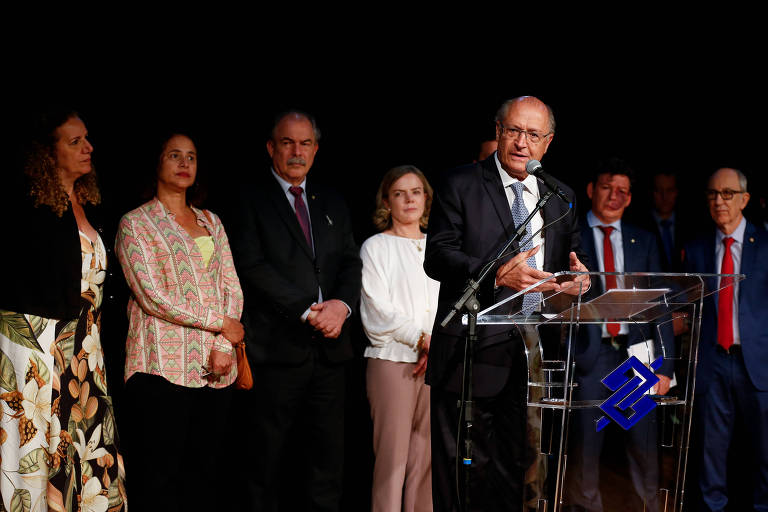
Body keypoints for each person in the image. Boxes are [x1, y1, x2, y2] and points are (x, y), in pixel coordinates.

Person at [424, 96, 589, 511]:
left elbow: (570, 260)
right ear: (498, 131)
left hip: (532, 350)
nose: (522, 142)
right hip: (470, 349)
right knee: (463, 471)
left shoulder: (560, 197)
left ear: (547, 143)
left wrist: (577, 282)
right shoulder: (460, 183)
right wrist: (496, 272)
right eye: (514, 131)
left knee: (518, 468)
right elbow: (439, 255)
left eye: (533, 135)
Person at [227, 110, 362, 511]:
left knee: (326, 462)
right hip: (277, 351)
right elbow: (251, 265)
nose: (297, 151)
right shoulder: (248, 198)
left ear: (316, 150)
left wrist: (339, 306)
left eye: (305, 144)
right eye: (288, 143)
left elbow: (351, 263)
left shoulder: (332, 200)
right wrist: (309, 311)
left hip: (331, 354)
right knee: (265, 461)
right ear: (272, 148)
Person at [0, 110, 127, 511]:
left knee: (88, 452)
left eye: (86, 139)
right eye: (74, 142)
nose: (88, 148)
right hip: (39, 345)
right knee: (37, 449)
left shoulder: (92, 205)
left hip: (87, 350)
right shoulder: (28, 210)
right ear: (48, 154)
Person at [115, 132, 244, 511]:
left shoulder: (212, 222)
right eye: (174, 155)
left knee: (204, 476)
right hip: (161, 368)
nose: (185, 163)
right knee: (159, 477)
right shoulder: (135, 223)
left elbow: (231, 286)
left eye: (191, 156)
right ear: (157, 163)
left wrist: (223, 342)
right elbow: (152, 295)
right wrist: (219, 321)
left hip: (217, 368)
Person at [564, 158, 674, 512]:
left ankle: (646, 507)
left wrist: (666, 366)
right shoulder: (572, 235)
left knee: (643, 445)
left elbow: (660, 304)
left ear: (629, 199)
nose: (615, 196)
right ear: (592, 190)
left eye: (623, 191)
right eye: (608, 187)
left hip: (635, 358)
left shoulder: (643, 239)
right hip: (589, 356)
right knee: (586, 448)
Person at [683, 167, 768, 511]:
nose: (719, 201)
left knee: (764, 453)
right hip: (713, 361)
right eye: (713, 194)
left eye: (728, 194)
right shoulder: (697, 247)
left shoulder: (765, 244)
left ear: (745, 199)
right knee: (710, 455)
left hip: (758, 364)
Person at [360, 165, 439, 512]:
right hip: (393, 362)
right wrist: (422, 338)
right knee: (393, 462)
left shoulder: (440, 248)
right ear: (386, 202)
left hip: (437, 362)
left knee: (426, 464)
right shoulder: (376, 247)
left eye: (416, 191)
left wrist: (438, 343)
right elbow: (377, 313)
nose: (409, 199)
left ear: (426, 198)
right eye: (399, 193)